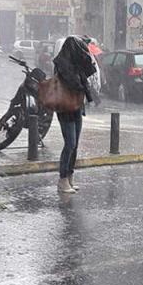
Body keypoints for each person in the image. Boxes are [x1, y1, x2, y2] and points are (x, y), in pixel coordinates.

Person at [53, 36, 97, 194]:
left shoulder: (76, 64)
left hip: (77, 106)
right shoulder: (62, 64)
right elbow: (73, 83)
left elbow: (88, 73)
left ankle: (70, 177)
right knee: (70, 144)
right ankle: (62, 179)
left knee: (75, 144)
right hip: (65, 109)